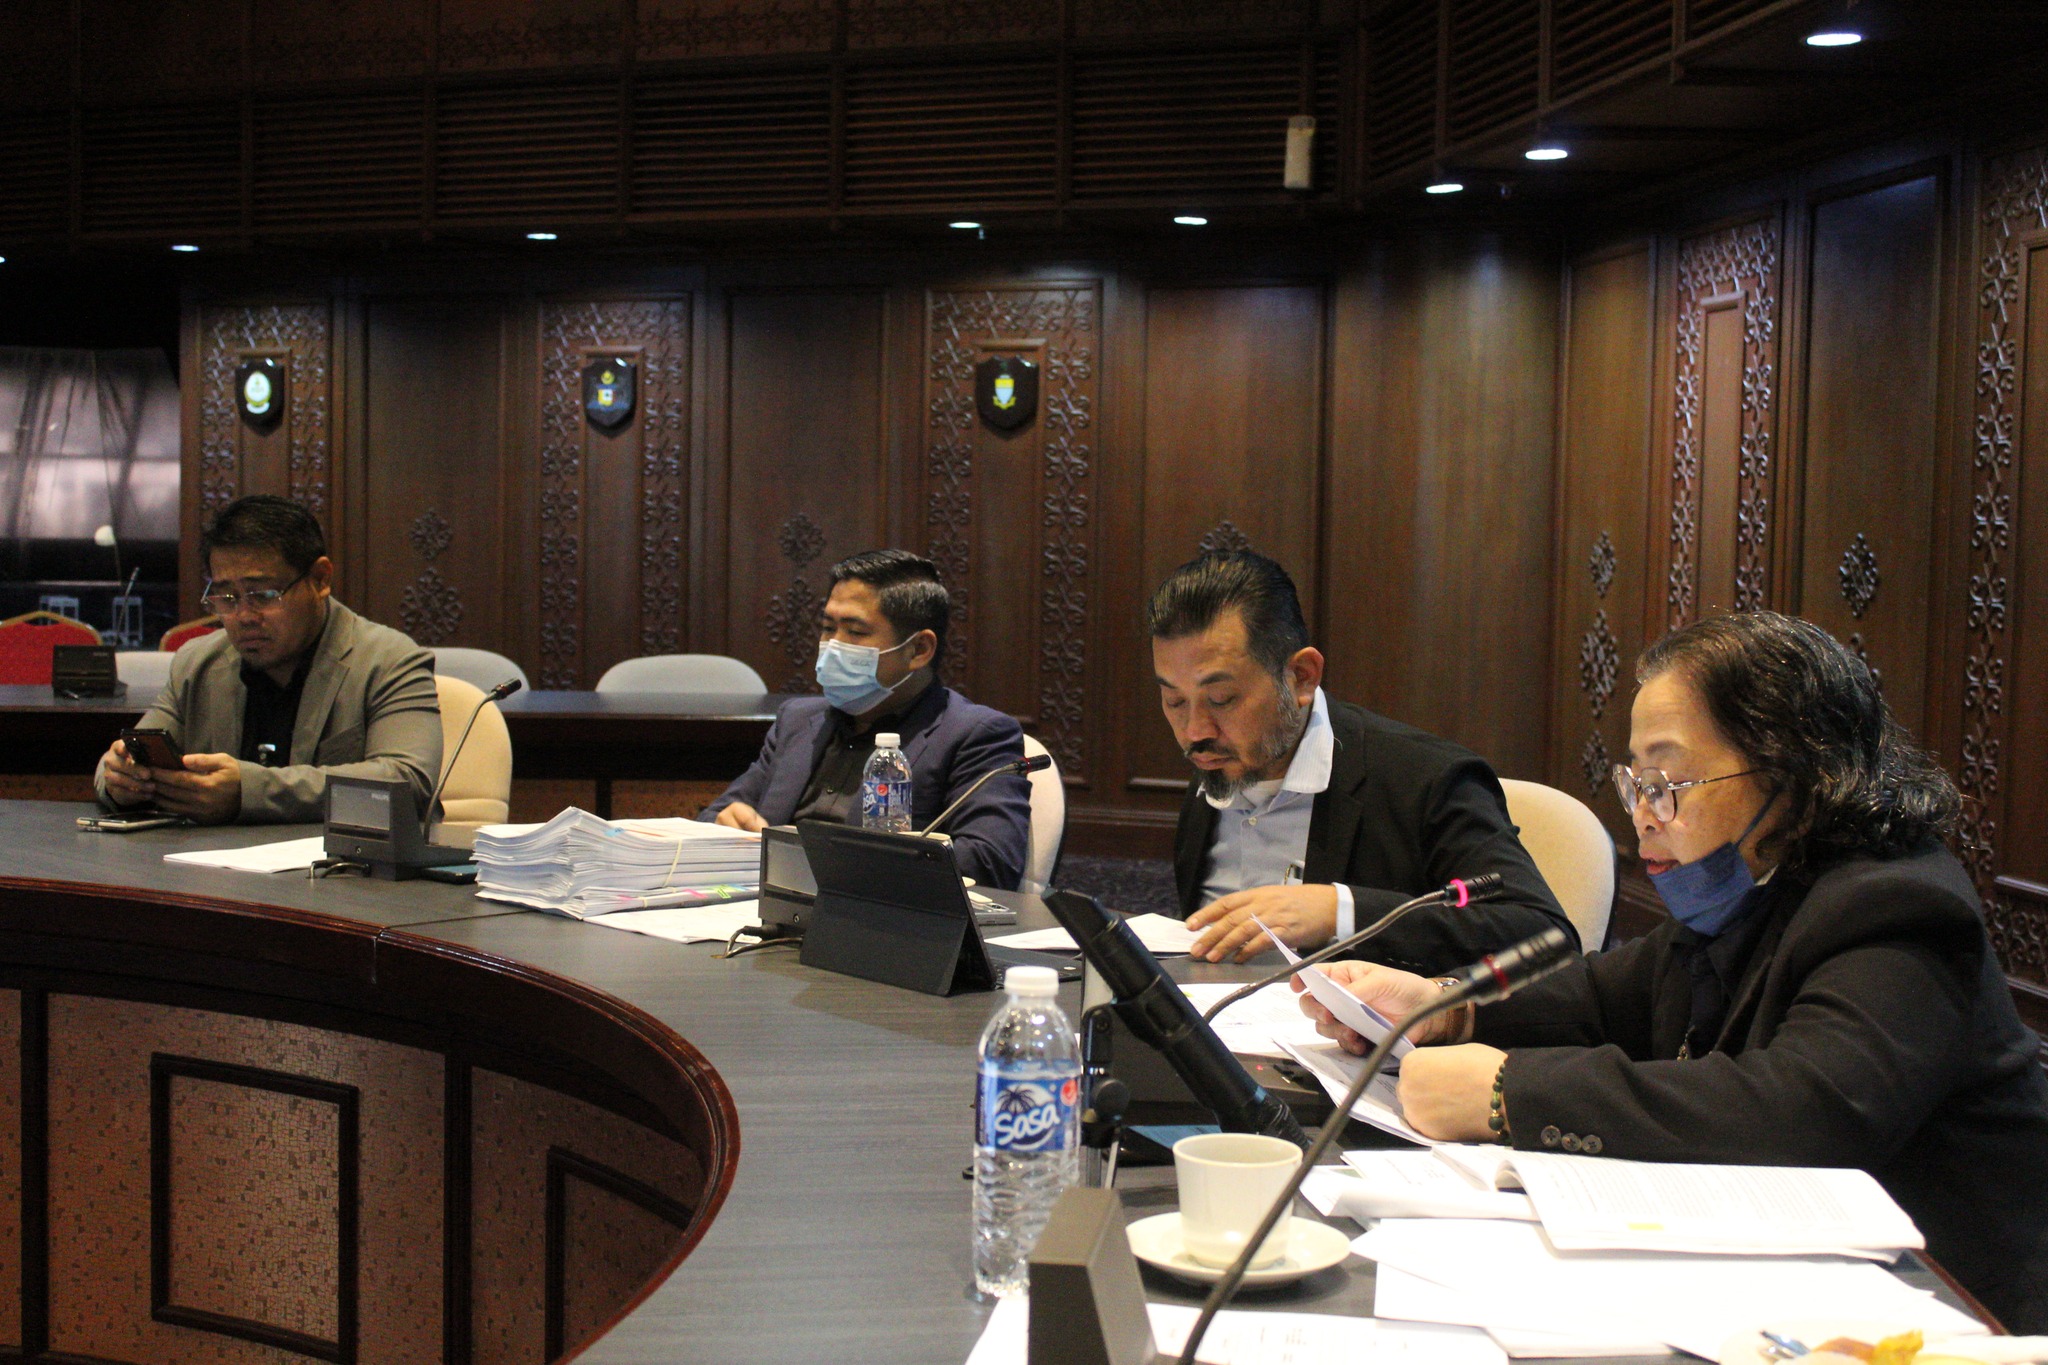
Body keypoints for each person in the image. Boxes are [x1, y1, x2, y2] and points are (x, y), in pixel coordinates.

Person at [1300, 611, 2048, 1332]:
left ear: (1791, 778)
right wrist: (1446, 1006)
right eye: (1637, 782)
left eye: (1668, 782)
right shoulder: (1752, 885)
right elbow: (1602, 994)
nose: (1643, 814)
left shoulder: (1897, 904)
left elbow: (1803, 1109)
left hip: (1938, 1313)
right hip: (1780, 1281)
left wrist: (1508, 1094)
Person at [1147, 550, 1573, 971]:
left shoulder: (1426, 781)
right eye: (1174, 700)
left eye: (1221, 699)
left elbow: (1545, 935)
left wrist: (1341, 911)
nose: (1193, 731)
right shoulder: (1220, 760)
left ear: (1302, 677)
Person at [94, 494, 442, 824]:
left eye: (262, 595)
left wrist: (248, 791)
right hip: (211, 861)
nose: (244, 616)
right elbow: (119, 761)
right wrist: (121, 781)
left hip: (339, 862)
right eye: (227, 597)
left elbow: (408, 782)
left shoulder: (389, 660)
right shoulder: (197, 663)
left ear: (320, 579)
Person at [700, 549, 1031, 890]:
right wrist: (727, 824)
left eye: (855, 632)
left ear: (919, 649)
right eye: (828, 628)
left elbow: (991, 864)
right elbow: (713, 818)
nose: (832, 646)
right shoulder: (797, 720)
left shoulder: (975, 734)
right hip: (764, 908)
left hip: (879, 914)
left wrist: (838, 862)